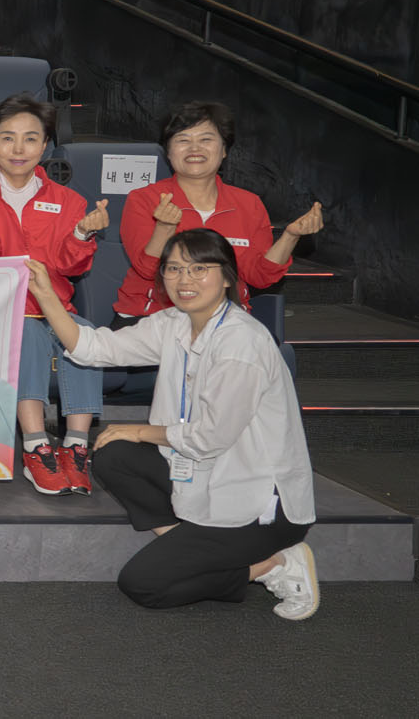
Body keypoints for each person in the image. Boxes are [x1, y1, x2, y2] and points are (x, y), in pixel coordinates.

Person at [27, 236, 320, 618]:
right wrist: (46, 295)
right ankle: (192, 546)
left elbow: (210, 437)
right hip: (201, 478)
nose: (185, 279)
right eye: (175, 269)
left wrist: (139, 430)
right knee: (113, 455)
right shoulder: (174, 323)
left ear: (227, 277)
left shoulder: (241, 343)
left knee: (143, 584)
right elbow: (95, 348)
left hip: (258, 506)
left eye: (199, 268)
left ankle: (272, 565)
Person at [0, 95, 108, 496]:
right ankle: (36, 445)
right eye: (7, 138)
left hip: (55, 308)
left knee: (86, 335)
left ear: (45, 146)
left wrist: (81, 234)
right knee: (29, 333)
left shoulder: (68, 201)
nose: (18, 149)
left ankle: (76, 447)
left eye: (30, 138)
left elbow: (72, 269)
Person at [114, 101, 325, 323]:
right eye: (183, 140)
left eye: (206, 139)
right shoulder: (144, 199)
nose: (194, 148)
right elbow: (148, 271)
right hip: (153, 317)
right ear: (168, 152)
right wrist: (165, 227)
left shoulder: (248, 204)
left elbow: (260, 276)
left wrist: (290, 237)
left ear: (224, 150)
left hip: (224, 320)